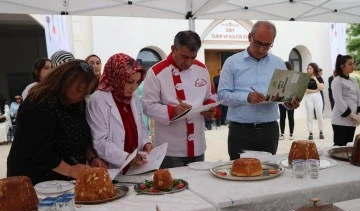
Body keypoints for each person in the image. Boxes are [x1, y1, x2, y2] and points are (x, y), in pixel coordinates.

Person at [7, 60, 99, 185]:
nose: (82, 95)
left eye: (86, 92)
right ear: (64, 81)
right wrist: (71, 170)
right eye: (80, 89)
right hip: (35, 179)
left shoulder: (77, 103)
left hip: (64, 180)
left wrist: (92, 157)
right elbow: (41, 150)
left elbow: (83, 135)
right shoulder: (38, 103)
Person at [217, 21, 299, 160]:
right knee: (241, 174)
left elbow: (284, 96)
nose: (261, 49)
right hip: (241, 131)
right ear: (250, 37)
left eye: (267, 45)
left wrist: (289, 103)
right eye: (258, 43)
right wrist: (247, 97)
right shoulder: (232, 62)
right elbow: (222, 96)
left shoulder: (278, 63)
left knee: (269, 173)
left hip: (270, 130)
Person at [142, 30, 218, 168]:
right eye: (184, 57)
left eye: (193, 57)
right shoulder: (156, 72)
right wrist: (173, 110)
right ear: (173, 49)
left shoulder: (201, 69)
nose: (188, 62)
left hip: (197, 146)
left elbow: (210, 96)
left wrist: (210, 107)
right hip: (170, 149)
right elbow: (148, 107)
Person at [87, 53, 153, 169]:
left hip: (136, 165)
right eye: (130, 81)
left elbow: (139, 125)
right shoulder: (98, 99)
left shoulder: (133, 96)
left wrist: (146, 143)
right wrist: (126, 158)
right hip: (112, 167)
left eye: (137, 82)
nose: (134, 87)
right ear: (117, 77)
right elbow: (100, 142)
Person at [331, 54, 360, 146]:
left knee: (348, 149)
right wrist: (353, 116)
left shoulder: (353, 80)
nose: (353, 66)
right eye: (350, 64)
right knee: (339, 148)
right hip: (340, 120)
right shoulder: (337, 81)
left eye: (353, 64)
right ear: (342, 66)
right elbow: (339, 101)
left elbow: (358, 97)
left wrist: (358, 115)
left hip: (352, 121)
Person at [304, 62, 325, 140]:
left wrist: (315, 79)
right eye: (308, 68)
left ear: (314, 69)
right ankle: (310, 132)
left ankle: (321, 131)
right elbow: (305, 90)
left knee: (319, 115)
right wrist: (316, 90)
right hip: (308, 97)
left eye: (310, 68)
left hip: (318, 98)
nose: (309, 69)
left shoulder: (319, 77)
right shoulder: (305, 78)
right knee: (309, 115)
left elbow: (321, 87)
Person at [279, 61, 295, 140]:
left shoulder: (293, 78)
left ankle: (291, 133)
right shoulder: (280, 77)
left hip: (290, 100)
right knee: (282, 117)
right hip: (281, 100)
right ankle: (282, 134)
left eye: (286, 68)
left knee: (290, 117)